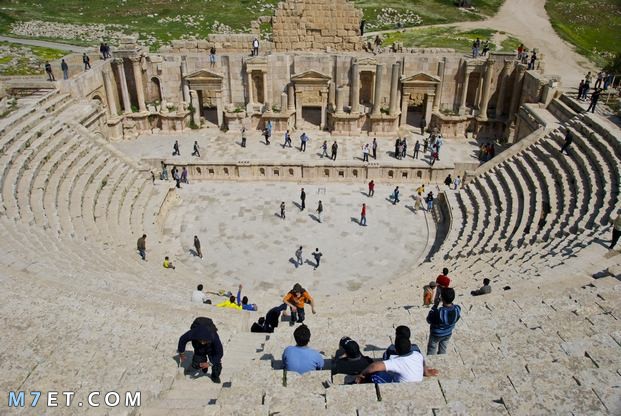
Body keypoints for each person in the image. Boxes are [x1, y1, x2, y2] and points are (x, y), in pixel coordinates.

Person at [356, 336, 437, 384]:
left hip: (403, 386)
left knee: (375, 375)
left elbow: (374, 366)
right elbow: (423, 366)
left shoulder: (396, 362)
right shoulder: (418, 355)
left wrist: (362, 374)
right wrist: (427, 372)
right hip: (417, 382)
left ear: (397, 350)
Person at [178, 317, 223, 383]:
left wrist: (210, 363)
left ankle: (215, 376)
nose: (202, 342)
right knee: (196, 365)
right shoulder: (194, 333)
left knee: (216, 365)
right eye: (200, 340)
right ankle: (203, 366)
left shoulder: (214, 337)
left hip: (211, 348)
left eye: (204, 341)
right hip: (199, 347)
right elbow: (182, 339)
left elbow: (220, 353)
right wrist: (181, 353)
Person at [427, 287, 461, 355]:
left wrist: (435, 306)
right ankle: (441, 359)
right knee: (443, 348)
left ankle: (432, 360)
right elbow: (456, 319)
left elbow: (428, 320)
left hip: (436, 334)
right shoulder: (457, 308)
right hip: (448, 333)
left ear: (442, 299)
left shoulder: (439, 312)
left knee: (432, 348)